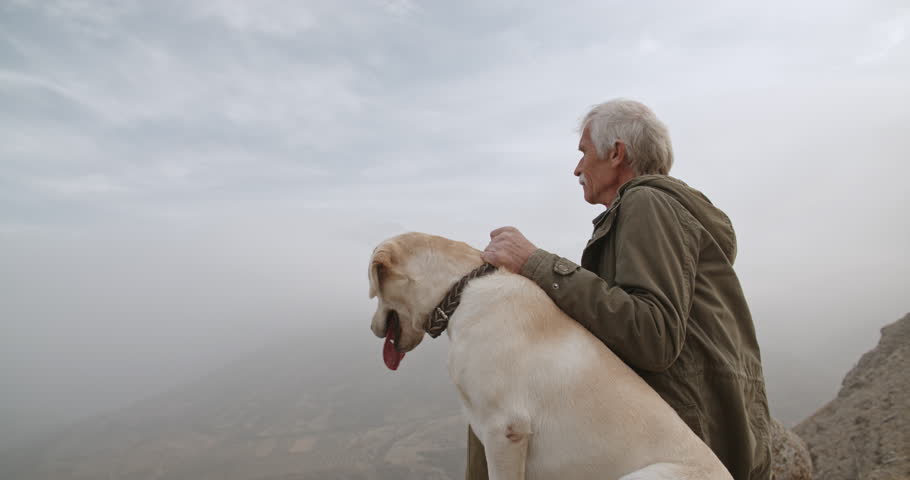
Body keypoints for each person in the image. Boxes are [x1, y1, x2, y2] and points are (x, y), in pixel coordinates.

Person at [473, 99, 772, 480]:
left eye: (583, 152)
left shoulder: (648, 203)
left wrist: (534, 262)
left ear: (616, 153)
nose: (577, 167)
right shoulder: (657, 210)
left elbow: (653, 335)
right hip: (700, 434)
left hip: (683, 444)